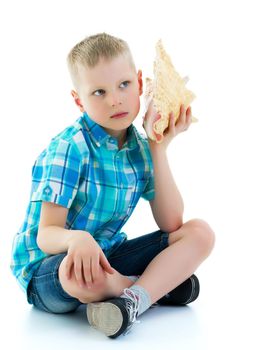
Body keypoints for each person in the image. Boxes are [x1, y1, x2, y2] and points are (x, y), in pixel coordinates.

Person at [10, 32, 215, 338]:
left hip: (105, 256)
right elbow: (46, 235)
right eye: (98, 92)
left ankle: (131, 298)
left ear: (140, 83)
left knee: (200, 233)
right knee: (76, 277)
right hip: (49, 269)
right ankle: (154, 288)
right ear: (79, 100)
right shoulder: (71, 148)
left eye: (124, 85)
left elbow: (171, 222)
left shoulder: (141, 150)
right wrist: (76, 240)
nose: (115, 99)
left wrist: (158, 147)